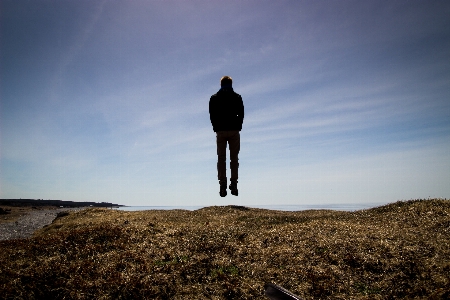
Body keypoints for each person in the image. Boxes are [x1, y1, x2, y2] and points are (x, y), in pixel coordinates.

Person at [209, 76, 244, 197]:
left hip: (221, 131)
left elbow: (212, 115)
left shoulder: (214, 98)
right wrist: (238, 126)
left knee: (221, 158)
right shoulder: (237, 97)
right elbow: (241, 113)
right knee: (234, 158)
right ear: (231, 83)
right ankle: (233, 184)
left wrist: (216, 128)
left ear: (221, 84)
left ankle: (222, 184)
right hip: (234, 130)